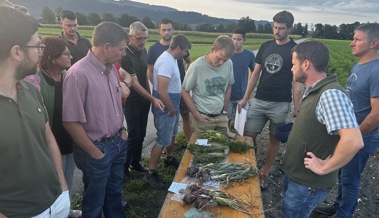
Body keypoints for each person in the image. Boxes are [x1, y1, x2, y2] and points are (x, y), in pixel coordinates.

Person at [281, 40, 364, 218]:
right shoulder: (314, 90)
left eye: (294, 64)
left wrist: (325, 167)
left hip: (308, 184)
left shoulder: (330, 95)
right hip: (299, 179)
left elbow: (353, 141)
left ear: (306, 64)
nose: (291, 69)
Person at [0, 7, 69, 217]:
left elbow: (48, 139)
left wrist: (62, 185)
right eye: (37, 45)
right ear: (17, 52)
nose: (41, 52)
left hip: (56, 201)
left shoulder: (30, 89)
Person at [62, 21, 128, 218]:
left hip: (117, 142)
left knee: (114, 195)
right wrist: (95, 152)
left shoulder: (111, 69)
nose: (124, 53)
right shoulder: (78, 74)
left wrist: (123, 130)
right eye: (121, 49)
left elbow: (117, 104)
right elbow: (70, 122)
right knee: (94, 202)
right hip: (97, 149)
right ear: (107, 47)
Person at [313, 23, 379, 218]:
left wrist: (354, 135)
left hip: (363, 136)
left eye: (358, 39)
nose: (352, 43)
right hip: (351, 132)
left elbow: (376, 114)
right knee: (343, 174)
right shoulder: (359, 65)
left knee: (350, 178)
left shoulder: (376, 71)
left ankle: (344, 214)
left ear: (374, 42)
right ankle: (338, 205)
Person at [237, 10, 303, 189]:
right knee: (249, 136)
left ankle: (264, 172)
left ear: (290, 28)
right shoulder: (266, 46)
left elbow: (297, 85)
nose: (276, 31)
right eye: (274, 27)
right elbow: (255, 74)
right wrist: (245, 98)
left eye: (281, 28)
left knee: (274, 139)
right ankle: (253, 164)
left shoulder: (295, 50)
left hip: (281, 104)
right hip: (259, 100)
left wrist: (296, 113)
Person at [23, 36, 82, 218]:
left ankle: (66, 208)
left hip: (68, 139)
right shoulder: (37, 81)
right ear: (52, 58)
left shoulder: (68, 77)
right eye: (66, 54)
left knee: (67, 177)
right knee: (51, 181)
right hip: (48, 142)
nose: (71, 56)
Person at [120, 21, 165, 180]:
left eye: (145, 38)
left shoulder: (143, 50)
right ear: (130, 37)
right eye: (139, 38)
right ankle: (124, 168)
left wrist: (150, 93)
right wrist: (152, 97)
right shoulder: (124, 54)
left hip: (143, 99)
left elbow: (144, 76)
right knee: (133, 134)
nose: (142, 42)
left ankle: (135, 162)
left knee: (142, 133)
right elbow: (135, 83)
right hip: (131, 99)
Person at [146, 34, 192, 189]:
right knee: (162, 139)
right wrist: (171, 109)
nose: (185, 54)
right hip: (166, 106)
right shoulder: (166, 61)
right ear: (178, 48)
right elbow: (161, 90)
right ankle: (151, 172)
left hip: (173, 103)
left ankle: (169, 158)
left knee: (171, 134)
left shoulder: (172, 59)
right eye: (184, 51)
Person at [148, 18, 193, 141]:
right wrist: (158, 87)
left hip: (180, 88)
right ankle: (165, 147)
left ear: (173, 30)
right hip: (166, 92)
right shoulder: (155, 49)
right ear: (159, 31)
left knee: (185, 117)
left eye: (169, 29)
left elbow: (189, 62)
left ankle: (189, 143)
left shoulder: (180, 44)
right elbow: (150, 70)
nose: (166, 32)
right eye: (164, 30)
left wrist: (185, 79)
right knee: (166, 128)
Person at [182, 35, 234, 135]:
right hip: (203, 119)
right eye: (219, 58)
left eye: (225, 60)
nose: (221, 63)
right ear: (212, 49)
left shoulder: (229, 64)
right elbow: (184, 90)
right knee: (202, 148)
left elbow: (229, 86)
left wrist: (225, 111)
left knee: (223, 146)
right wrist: (196, 114)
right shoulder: (197, 66)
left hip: (221, 116)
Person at [228, 27, 255, 125]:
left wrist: (248, 85)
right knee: (226, 121)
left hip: (242, 95)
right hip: (227, 96)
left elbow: (254, 72)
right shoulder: (227, 55)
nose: (235, 42)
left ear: (244, 40)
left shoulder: (249, 55)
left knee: (242, 123)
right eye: (233, 39)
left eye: (239, 39)